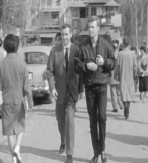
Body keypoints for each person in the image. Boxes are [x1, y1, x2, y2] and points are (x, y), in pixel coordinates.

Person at [74, 16, 116, 163]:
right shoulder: (82, 45)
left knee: (102, 117)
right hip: (90, 86)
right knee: (92, 120)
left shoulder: (105, 44)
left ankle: (103, 149)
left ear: (98, 28)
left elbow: (113, 63)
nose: (91, 30)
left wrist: (104, 62)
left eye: (93, 27)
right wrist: (86, 65)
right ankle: (96, 152)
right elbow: (76, 65)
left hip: (102, 85)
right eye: (89, 27)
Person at [46, 24, 84, 163]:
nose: (64, 37)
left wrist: (81, 89)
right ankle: (63, 140)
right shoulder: (54, 51)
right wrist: (52, 88)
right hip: (59, 91)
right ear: (60, 35)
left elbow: (81, 71)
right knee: (61, 120)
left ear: (71, 35)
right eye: (62, 35)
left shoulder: (77, 50)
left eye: (66, 34)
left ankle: (69, 153)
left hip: (72, 91)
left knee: (70, 121)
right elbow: (49, 71)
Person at [0, 34, 32, 163]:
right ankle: (17, 147)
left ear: (5, 47)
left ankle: (13, 157)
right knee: (21, 127)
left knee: (9, 131)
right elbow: (26, 86)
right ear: (17, 46)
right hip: (19, 100)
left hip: (6, 100)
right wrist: (30, 101)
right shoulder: (22, 64)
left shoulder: (1, 64)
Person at [117, 37, 138, 119]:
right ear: (129, 44)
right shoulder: (133, 53)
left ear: (123, 44)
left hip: (122, 76)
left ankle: (125, 107)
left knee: (123, 93)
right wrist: (135, 75)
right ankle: (127, 109)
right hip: (130, 76)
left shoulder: (120, 54)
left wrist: (116, 74)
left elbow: (117, 66)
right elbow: (135, 66)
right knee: (129, 94)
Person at [109, 40, 123, 112]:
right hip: (118, 73)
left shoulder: (110, 54)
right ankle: (120, 102)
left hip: (112, 73)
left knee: (113, 90)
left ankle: (115, 107)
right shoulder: (121, 54)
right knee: (118, 90)